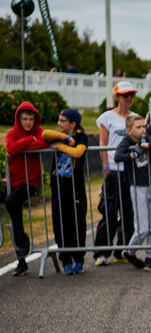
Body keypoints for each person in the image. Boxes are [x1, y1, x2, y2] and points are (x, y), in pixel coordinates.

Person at [94, 81, 138, 266]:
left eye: (131, 95)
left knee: (128, 213)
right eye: (125, 95)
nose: (129, 98)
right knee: (110, 212)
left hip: (130, 171)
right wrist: (106, 166)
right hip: (113, 170)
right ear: (117, 97)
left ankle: (122, 249)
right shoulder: (107, 117)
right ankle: (101, 253)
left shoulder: (136, 117)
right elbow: (103, 143)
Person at [115, 114, 151, 271]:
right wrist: (133, 154)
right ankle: (130, 251)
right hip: (137, 188)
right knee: (142, 227)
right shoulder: (127, 141)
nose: (143, 129)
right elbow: (118, 156)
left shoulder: (147, 139)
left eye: (144, 126)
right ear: (129, 130)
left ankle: (149, 258)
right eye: (138, 127)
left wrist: (145, 146)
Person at [43, 109, 89, 275]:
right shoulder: (58, 135)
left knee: (76, 222)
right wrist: (65, 138)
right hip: (58, 185)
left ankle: (78, 259)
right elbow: (44, 134)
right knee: (60, 222)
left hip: (74, 187)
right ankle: (66, 259)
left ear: (73, 124)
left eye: (63, 121)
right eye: (59, 120)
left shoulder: (82, 137)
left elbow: (78, 152)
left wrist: (61, 147)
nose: (59, 124)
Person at [4, 101, 47, 277]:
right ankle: (21, 261)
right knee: (15, 221)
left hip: (31, 181)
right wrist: (29, 140)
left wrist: (24, 144)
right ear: (19, 119)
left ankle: (24, 242)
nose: (28, 122)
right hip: (13, 180)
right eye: (24, 119)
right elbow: (11, 148)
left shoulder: (41, 132)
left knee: (10, 201)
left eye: (30, 119)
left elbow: (43, 143)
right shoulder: (12, 133)